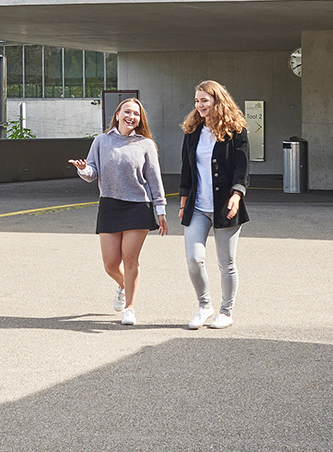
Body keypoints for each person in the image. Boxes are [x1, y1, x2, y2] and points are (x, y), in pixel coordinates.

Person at [69, 98, 168, 325]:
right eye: (127, 112)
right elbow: (92, 172)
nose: (131, 116)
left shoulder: (146, 144)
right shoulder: (101, 141)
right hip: (110, 205)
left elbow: (154, 179)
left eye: (136, 113)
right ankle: (124, 285)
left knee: (130, 258)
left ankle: (130, 308)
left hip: (138, 206)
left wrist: (160, 210)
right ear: (117, 114)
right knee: (111, 264)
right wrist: (83, 169)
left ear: (139, 119)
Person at [177, 80, 251, 330]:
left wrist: (237, 194)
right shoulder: (192, 131)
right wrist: (183, 201)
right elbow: (186, 169)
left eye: (204, 101)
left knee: (226, 263)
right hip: (197, 207)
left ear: (217, 101)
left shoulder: (235, 130)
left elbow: (242, 166)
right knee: (193, 259)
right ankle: (204, 306)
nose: (199, 105)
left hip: (225, 206)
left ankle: (226, 312)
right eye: (197, 101)